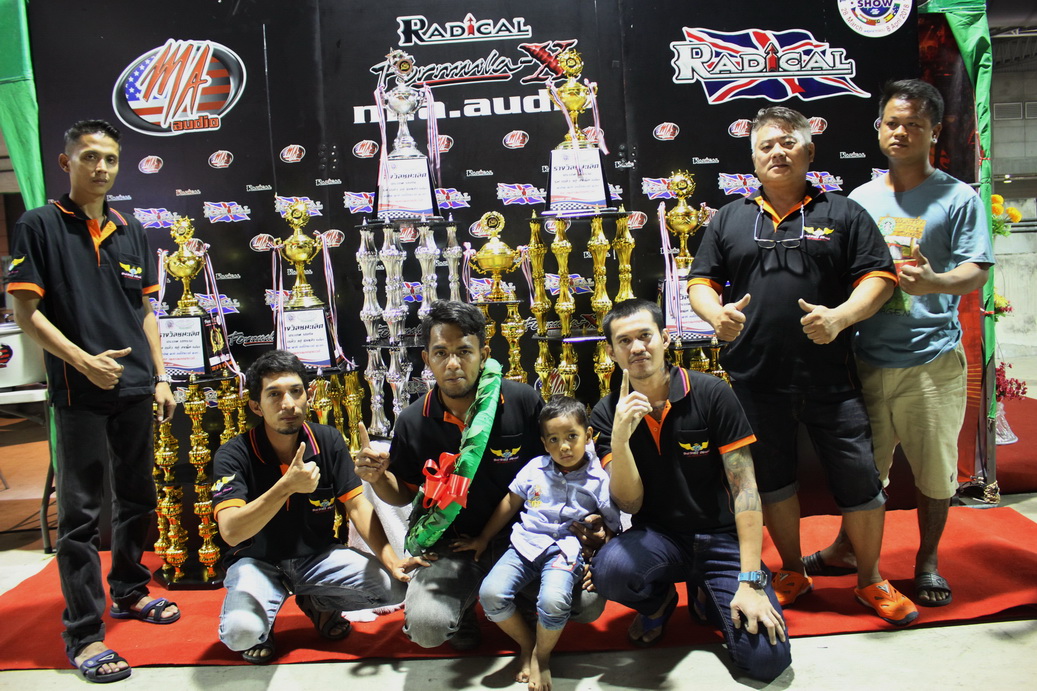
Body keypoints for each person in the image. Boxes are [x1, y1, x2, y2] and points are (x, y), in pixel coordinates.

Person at [687, 106, 918, 626]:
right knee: (772, 482)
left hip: (832, 379)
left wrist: (840, 317)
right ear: (753, 157)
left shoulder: (844, 213)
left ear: (810, 152)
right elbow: (701, 281)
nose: (777, 152)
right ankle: (791, 571)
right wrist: (715, 315)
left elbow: (880, 278)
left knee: (861, 480)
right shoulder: (729, 217)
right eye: (766, 145)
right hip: (754, 380)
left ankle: (870, 578)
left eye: (788, 143)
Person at [806, 80, 993, 607]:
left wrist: (935, 282)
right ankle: (847, 548)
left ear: (934, 132)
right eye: (893, 122)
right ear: (879, 129)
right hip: (866, 359)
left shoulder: (959, 197)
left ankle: (927, 561)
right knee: (863, 471)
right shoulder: (859, 200)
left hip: (930, 360)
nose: (901, 132)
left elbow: (977, 269)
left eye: (914, 124)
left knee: (934, 471)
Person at [6, 120, 178, 683]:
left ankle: (129, 589)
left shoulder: (131, 230)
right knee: (80, 515)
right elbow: (25, 314)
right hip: (78, 390)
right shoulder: (38, 225)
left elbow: (145, 311)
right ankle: (83, 635)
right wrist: (84, 362)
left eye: (109, 158)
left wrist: (160, 376)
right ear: (67, 162)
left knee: (138, 498)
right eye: (89, 157)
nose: (100, 167)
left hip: (135, 387)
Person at [355, 300, 604, 651]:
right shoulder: (413, 420)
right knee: (427, 628)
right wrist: (378, 477)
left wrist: (588, 527)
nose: (452, 364)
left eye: (464, 351)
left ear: (484, 354)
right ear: (426, 359)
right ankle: (465, 612)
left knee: (588, 602)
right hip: (452, 545)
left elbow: (560, 469)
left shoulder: (521, 402)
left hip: (525, 538)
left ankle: (520, 597)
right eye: (440, 353)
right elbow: (403, 493)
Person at [590, 299, 790, 682]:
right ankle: (660, 601)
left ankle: (705, 594)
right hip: (658, 538)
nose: (637, 348)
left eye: (645, 336)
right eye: (625, 341)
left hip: (721, 539)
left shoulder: (712, 393)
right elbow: (630, 502)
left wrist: (751, 582)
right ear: (611, 352)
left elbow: (746, 491)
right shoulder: (606, 412)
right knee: (610, 571)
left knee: (767, 661)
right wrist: (620, 438)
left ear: (665, 338)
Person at [211, 350, 428, 664]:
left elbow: (357, 506)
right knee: (241, 634)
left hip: (316, 558)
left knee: (393, 588)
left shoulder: (327, 440)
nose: (288, 403)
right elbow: (231, 532)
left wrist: (391, 560)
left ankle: (317, 603)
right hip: (256, 562)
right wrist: (286, 487)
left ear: (309, 395)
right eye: (274, 394)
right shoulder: (234, 454)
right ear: (256, 405)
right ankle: (262, 625)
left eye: (295, 391)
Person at [454, 395, 620, 691]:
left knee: (553, 601)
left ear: (588, 435)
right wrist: (483, 538)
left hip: (565, 551)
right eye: (554, 439)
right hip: (525, 545)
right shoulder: (534, 468)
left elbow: (612, 527)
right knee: (491, 594)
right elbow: (510, 502)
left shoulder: (599, 480)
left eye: (572, 436)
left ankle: (541, 656)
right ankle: (528, 643)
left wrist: (598, 559)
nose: (564, 446)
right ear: (544, 443)